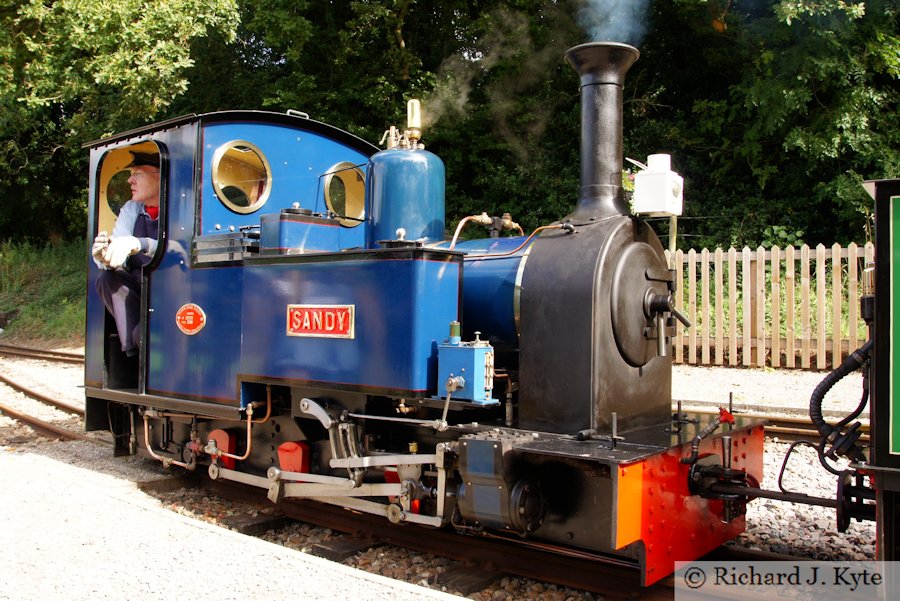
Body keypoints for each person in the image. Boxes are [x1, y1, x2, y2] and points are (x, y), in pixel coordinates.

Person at [92, 151, 161, 357]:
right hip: (142, 290)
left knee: (143, 332)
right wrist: (105, 256)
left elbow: (179, 249)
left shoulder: (183, 206)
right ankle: (134, 348)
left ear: (161, 175)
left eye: (137, 173)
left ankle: (142, 338)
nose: (130, 179)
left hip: (172, 291)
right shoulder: (132, 209)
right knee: (107, 278)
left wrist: (140, 243)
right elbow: (119, 244)